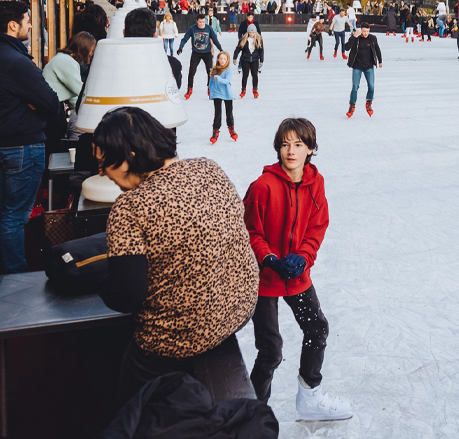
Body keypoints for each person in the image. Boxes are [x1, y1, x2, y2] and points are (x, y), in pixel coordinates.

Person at [94, 107, 258, 402]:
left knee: (125, 395)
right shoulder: (209, 169)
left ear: (129, 155)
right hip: (237, 310)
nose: (103, 173)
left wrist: (101, 283)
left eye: (104, 162)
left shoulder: (130, 207)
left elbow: (126, 296)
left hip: (177, 339)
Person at [244, 118, 353, 420]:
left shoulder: (315, 183)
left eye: (298, 144)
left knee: (316, 329)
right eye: (284, 144)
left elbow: (317, 227)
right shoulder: (262, 187)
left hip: (296, 273)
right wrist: (270, 259)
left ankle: (310, 396)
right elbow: (250, 231)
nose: (290, 151)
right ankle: (254, 414)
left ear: (310, 149)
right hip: (265, 278)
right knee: (271, 351)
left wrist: (303, 258)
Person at [0, 1, 65, 273]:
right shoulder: (16, 62)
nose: (31, 26)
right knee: (15, 216)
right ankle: (15, 275)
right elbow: (51, 102)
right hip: (21, 146)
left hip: (9, 141)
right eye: (28, 21)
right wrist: (35, 103)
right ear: (13, 25)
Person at [177, 14, 223, 99]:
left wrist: (221, 49)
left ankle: (210, 89)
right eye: (200, 22)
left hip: (207, 53)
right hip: (196, 53)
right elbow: (185, 39)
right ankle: (189, 89)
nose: (202, 24)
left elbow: (215, 40)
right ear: (197, 21)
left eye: (203, 22)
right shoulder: (192, 29)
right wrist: (181, 47)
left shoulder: (208, 28)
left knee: (210, 72)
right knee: (192, 72)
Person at [345, 23, 382, 118]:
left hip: (369, 66)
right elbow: (346, 47)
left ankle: (369, 102)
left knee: (372, 86)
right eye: (364, 31)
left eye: (367, 31)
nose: (366, 33)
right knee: (355, 87)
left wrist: (380, 61)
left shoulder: (373, 38)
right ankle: (351, 106)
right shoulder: (356, 38)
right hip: (357, 66)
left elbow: (377, 49)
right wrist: (353, 37)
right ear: (361, 30)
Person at [209, 51, 237, 143]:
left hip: (227, 93)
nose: (222, 60)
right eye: (221, 58)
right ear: (217, 59)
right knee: (217, 113)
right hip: (217, 93)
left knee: (229, 113)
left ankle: (231, 129)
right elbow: (211, 82)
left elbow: (226, 81)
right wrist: (210, 91)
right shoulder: (214, 69)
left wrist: (218, 78)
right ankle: (215, 131)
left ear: (227, 60)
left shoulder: (228, 70)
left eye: (224, 59)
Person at [235, 25, 265, 98]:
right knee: (245, 75)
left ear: (255, 32)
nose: (251, 34)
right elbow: (238, 48)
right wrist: (234, 57)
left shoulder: (258, 39)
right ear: (248, 32)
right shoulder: (244, 39)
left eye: (253, 32)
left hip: (254, 60)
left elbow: (261, 50)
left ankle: (255, 89)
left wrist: (261, 60)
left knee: (254, 75)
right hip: (245, 59)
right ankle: (243, 89)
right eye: (250, 32)